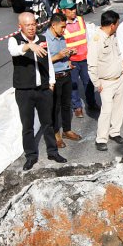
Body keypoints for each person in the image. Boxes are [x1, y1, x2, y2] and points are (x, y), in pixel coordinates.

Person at [7, 12, 67, 171]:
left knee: (48, 123)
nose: (31, 28)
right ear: (20, 26)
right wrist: (29, 46)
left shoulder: (42, 39)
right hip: (24, 90)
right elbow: (14, 51)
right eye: (27, 25)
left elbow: (48, 61)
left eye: (33, 24)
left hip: (43, 89)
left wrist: (52, 82)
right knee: (27, 126)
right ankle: (31, 156)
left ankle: (52, 151)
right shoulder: (15, 40)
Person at [87, 10, 123, 152]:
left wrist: (122, 66)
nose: (117, 26)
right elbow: (92, 65)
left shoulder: (112, 36)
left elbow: (117, 54)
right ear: (112, 25)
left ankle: (115, 132)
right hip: (105, 83)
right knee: (106, 111)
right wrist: (97, 83)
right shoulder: (96, 40)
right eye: (117, 24)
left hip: (118, 79)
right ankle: (101, 139)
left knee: (118, 109)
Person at [45, 13, 82, 148]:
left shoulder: (61, 38)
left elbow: (62, 55)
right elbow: (43, 60)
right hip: (54, 77)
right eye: (62, 27)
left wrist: (68, 56)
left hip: (66, 74)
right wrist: (58, 56)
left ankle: (67, 130)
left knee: (66, 105)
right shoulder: (45, 39)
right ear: (53, 25)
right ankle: (56, 134)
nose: (64, 30)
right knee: (55, 108)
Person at [59, 0, 98, 118]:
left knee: (89, 83)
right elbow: (61, 44)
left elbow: (87, 36)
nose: (73, 11)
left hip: (85, 58)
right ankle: (77, 107)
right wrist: (67, 60)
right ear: (63, 11)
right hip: (72, 61)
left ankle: (91, 103)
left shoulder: (80, 20)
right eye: (70, 9)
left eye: (73, 8)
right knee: (73, 85)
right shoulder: (61, 25)